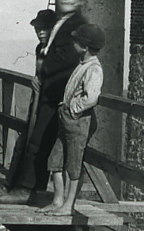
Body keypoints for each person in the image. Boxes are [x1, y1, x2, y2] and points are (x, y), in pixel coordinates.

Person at [0, 0, 90, 205]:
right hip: (49, 91)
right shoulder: (62, 20)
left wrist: (43, 65)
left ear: (80, 0)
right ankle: (21, 186)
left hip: (59, 92)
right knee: (33, 138)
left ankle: (28, 189)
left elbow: (68, 57)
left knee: (39, 140)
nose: (66, 0)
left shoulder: (77, 25)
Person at [43, 23, 106, 213]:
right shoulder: (83, 64)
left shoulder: (94, 69)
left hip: (79, 122)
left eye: (76, 40)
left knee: (73, 164)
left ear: (85, 46)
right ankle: (57, 201)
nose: (73, 43)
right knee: (55, 161)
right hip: (68, 121)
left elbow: (91, 97)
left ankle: (69, 205)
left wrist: (72, 108)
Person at [1, 8, 57, 193]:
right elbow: (39, 74)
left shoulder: (58, 52)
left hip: (51, 106)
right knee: (22, 143)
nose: (40, 32)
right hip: (38, 103)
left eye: (44, 29)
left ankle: (31, 189)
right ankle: (10, 184)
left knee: (38, 145)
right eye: (37, 29)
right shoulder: (40, 49)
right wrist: (35, 79)